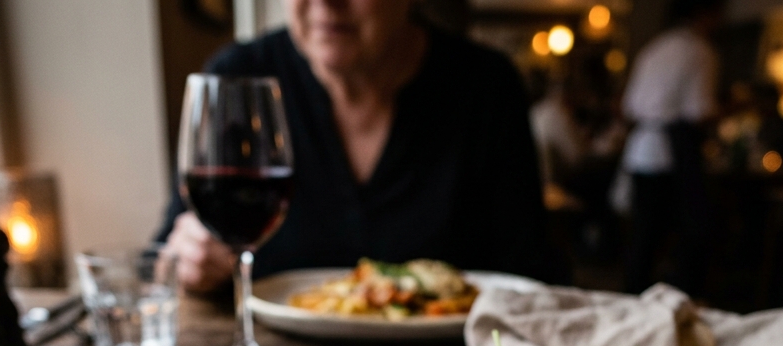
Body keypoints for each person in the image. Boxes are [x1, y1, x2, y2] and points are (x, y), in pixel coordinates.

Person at [158, 0, 562, 292]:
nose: (325, 4)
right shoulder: (237, 77)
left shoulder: (486, 85)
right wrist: (187, 261)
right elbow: (166, 256)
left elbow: (534, 276)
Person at [620, 0, 723, 296]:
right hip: (670, 155)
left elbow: (629, 106)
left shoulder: (655, 48)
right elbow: (699, 111)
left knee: (642, 236)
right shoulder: (700, 51)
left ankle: (632, 297)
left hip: (640, 151)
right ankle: (665, 303)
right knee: (678, 237)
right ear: (706, 14)